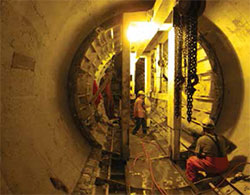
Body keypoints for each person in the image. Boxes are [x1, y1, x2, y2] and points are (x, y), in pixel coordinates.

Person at [186, 118, 230, 182]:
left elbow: (197, 154)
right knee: (209, 159)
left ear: (203, 129)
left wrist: (204, 154)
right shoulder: (221, 138)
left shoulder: (202, 139)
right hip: (224, 165)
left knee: (190, 161)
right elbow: (229, 147)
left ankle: (193, 179)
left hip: (214, 166)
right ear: (213, 128)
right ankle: (211, 172)